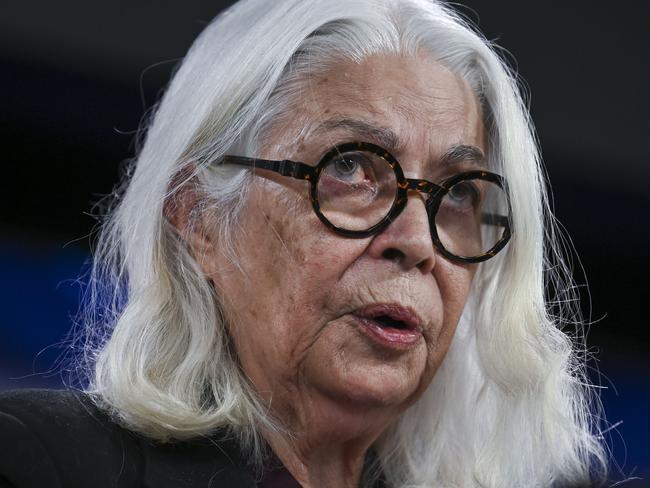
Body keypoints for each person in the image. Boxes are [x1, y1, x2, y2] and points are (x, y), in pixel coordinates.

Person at [0, 0, 609, 486]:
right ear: (198, 218)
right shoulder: (36, 463)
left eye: (456, 196)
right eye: (350, 168)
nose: (418, 242)